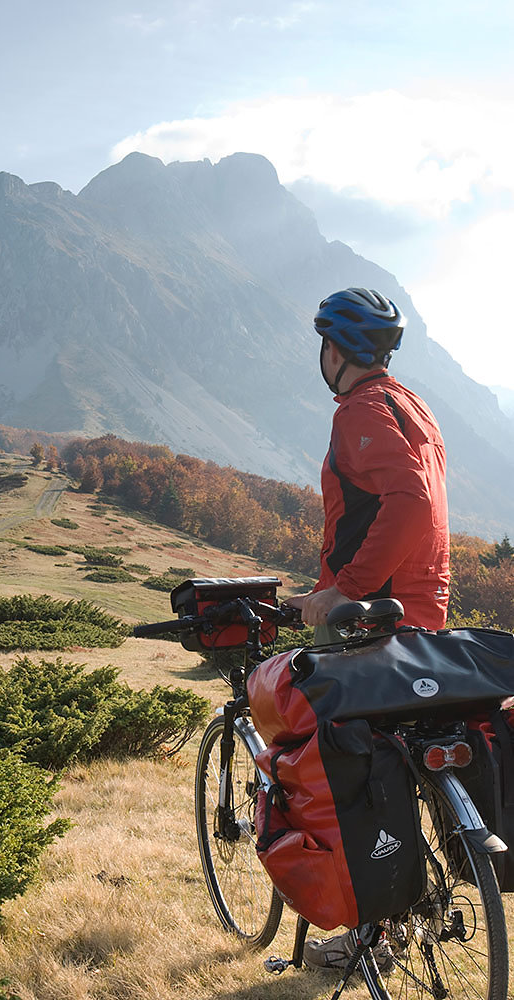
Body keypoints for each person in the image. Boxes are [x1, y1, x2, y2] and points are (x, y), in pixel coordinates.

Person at [282, 287, 451, 971]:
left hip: (369, 614)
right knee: (400, 765)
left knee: (351, 772)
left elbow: (407, 502)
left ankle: (370, 939)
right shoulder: (408, 404)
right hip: (419, 607)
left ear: (333, 351)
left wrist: (341, 591)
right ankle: (421, 906)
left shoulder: (359, 411)